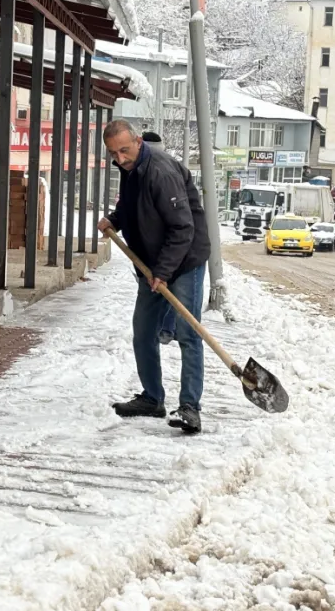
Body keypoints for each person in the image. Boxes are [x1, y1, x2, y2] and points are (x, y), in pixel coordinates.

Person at [96, 120, 210, 433]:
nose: (119, 158)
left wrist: (163, 272)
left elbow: (182, 227)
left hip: (184, 261)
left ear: (137, 141)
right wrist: (115, 220)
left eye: (124, 149)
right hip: (152, 263)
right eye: (113, 153)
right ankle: (152, 398)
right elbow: (136, 208)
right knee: (143, 331)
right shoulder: (131, 170)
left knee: (188, 334)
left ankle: (190, 406)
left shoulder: (160, 171)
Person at [139, 131, 177, 345]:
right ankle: (163, 328)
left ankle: (167, 329)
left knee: (168, 289)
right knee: (160, 291)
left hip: (171, 247)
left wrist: (164, 267)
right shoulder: (137, 171)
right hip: (151, 250)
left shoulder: (164, 173)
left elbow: (179, 225)